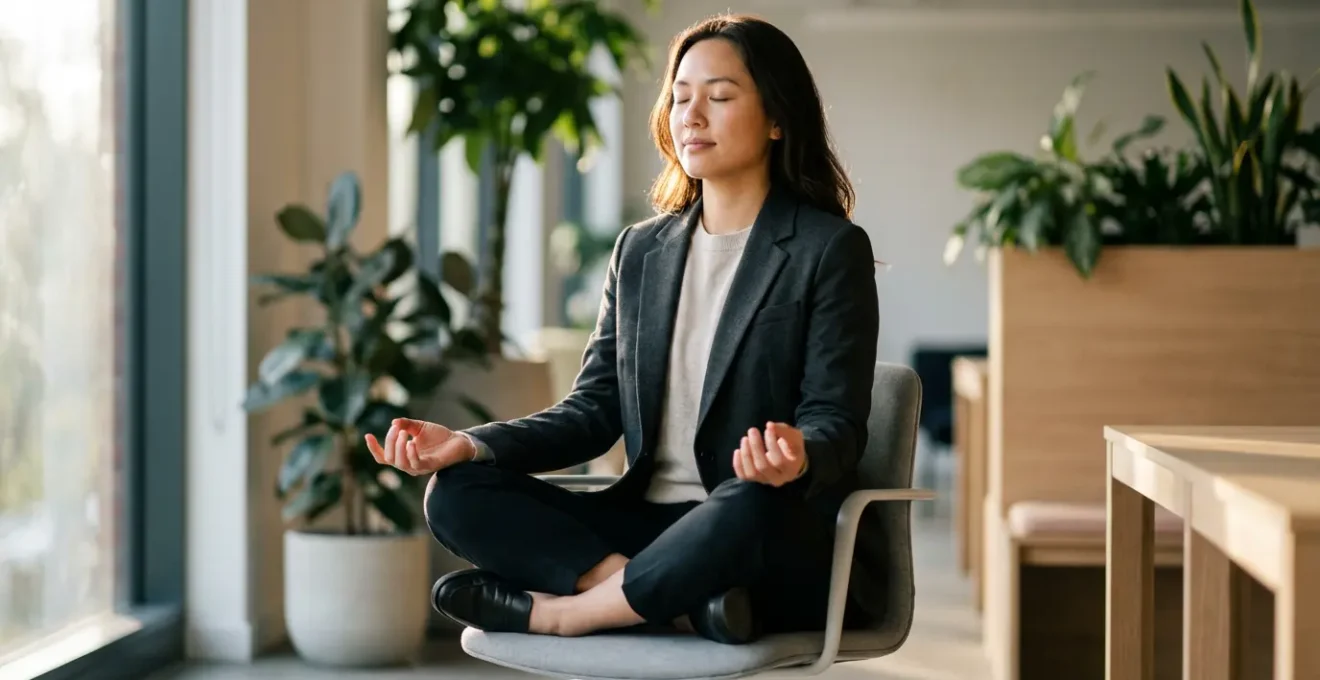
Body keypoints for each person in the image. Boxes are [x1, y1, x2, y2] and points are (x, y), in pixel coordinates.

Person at [366, 12, 881, 645]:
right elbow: (593, 411)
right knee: (455, 492)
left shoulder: (827, 249)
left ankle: (567, 614)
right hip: (647, 525)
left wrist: (797, 456)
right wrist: (469, 444)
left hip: (756, 527)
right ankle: (669, 599)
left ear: (777, 118)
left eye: (719, 97)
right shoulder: (640, 252)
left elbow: (835, 420)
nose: (692, 116)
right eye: (681, 97)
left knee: (748, 498)